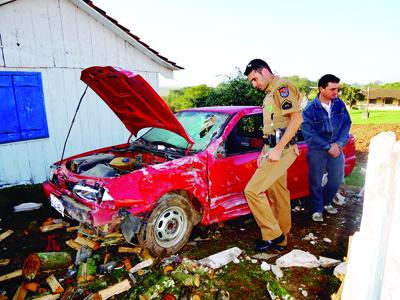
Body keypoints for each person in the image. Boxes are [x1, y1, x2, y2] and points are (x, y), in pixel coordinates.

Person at [243, 59, 303, 252]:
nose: (254, 84)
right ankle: (282, 239)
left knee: (252, 190)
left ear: (265, 71)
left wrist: (277, 149)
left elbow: (296, 119)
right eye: (251, 81)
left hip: (282, 150)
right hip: (273, 148)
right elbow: (272, 127)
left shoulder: (282, 88)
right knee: (278, 194)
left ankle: (272, 234)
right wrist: (265, 151)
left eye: (255, 79)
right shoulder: (270, 93)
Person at [302, 74, 352, 222]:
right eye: (332, 89)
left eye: (337, 89)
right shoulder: (309, 110)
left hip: (337, 147)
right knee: (316, 181)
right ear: (321, 89)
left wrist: (339, 144)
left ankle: (327, 202)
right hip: (318, 149)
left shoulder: (339, 104)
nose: (336, 92)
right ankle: (317, 209)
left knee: (336, 179)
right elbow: (309, 134)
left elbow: (346, 124)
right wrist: (327, 146)